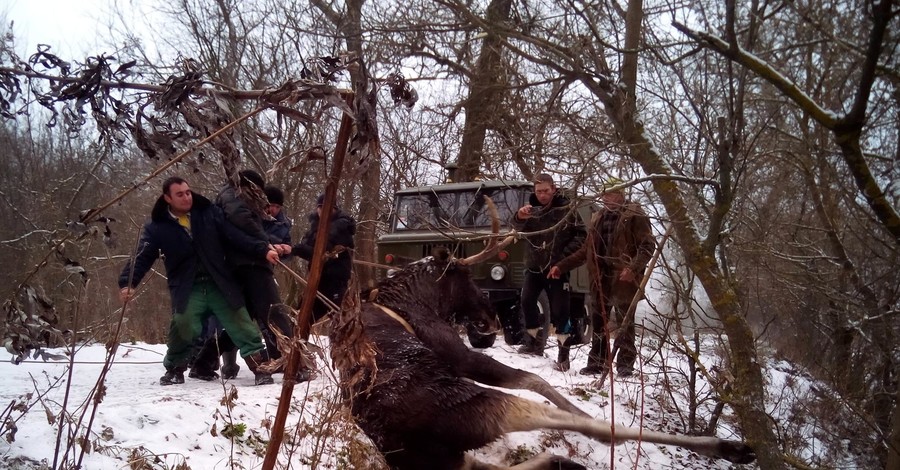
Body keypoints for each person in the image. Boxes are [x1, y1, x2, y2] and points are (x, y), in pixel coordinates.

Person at [118, 176, 279, 386]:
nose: (186, 197)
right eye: (179, 194)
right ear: (167, 198)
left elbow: (235, 236)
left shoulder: (209, 213)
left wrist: (263, 249)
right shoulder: (157, 227)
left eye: (188, 192)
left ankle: (261, 369)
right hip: (188, 287)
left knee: (241, 322)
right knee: (184, 324)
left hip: (218, 283)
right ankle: (175, 369)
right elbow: (142, 257)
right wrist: (127, 283)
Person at [192, 170, 292, 382]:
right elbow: (242, 227)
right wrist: (265, 245)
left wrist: (271, 246)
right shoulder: (235, 200)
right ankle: (294, 363)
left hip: (247, 263)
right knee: (275, 313)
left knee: (242, 319)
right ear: (251, 187)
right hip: (251, 265)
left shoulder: (234, 200)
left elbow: (243, 230)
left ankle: (203, 362)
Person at [549, 179, 656, 377]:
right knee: (598, 322)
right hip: (600, 278)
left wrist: (633, 268)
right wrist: (561, 266)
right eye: (604, 195)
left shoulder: (635, 215)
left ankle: (625, 365)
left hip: (624, 279)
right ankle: (597, 363)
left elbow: (648, 246)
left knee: (625, 323)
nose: (607, 199)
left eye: (611, 194)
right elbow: (585, 250)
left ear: (621, 195)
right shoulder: (598, 217)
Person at [512, 173, 586, 371]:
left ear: (553, 188)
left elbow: (582, 236)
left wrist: (562, 261)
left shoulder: (566, 209)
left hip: (557, 269)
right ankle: (534, 344)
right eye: (538, 191)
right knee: (527, 301)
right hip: (534, 267)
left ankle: (563, 356)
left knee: (561, 312)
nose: (542, 195)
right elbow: (516, 228)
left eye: (546, 190)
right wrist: (519, 216)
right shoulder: (531, 211)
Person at [291, 194, 356, 327]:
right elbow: (309, 248)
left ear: (334, 209)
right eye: (320, 207)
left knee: (342, 323)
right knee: (300, 321)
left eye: (327, 208)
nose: (323, 211)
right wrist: (294, 249)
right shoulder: (315, 227)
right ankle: (296, 346)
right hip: (318, 281)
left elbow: (322, 251)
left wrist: (296, 249)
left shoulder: (341, 227)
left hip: (335, 281)